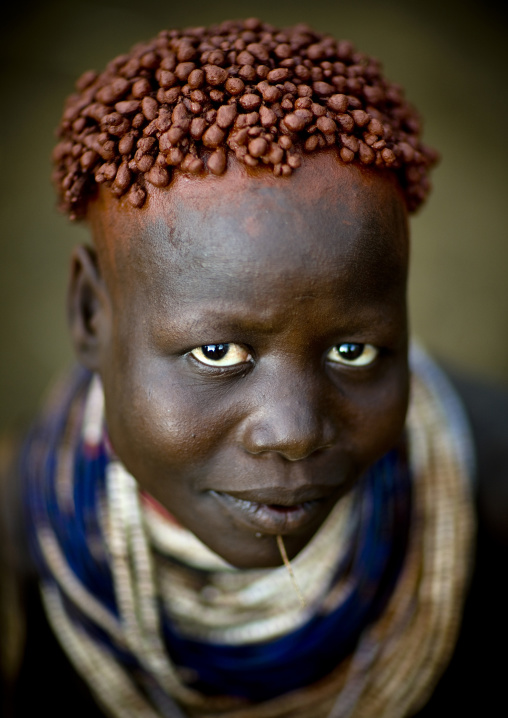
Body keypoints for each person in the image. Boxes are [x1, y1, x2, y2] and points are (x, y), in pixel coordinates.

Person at [0, 17, 506, 718]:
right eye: (217, 353)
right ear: (91, 314)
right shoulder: (21, 534)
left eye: (351, 352)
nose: (294, 432)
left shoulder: (492, 477)